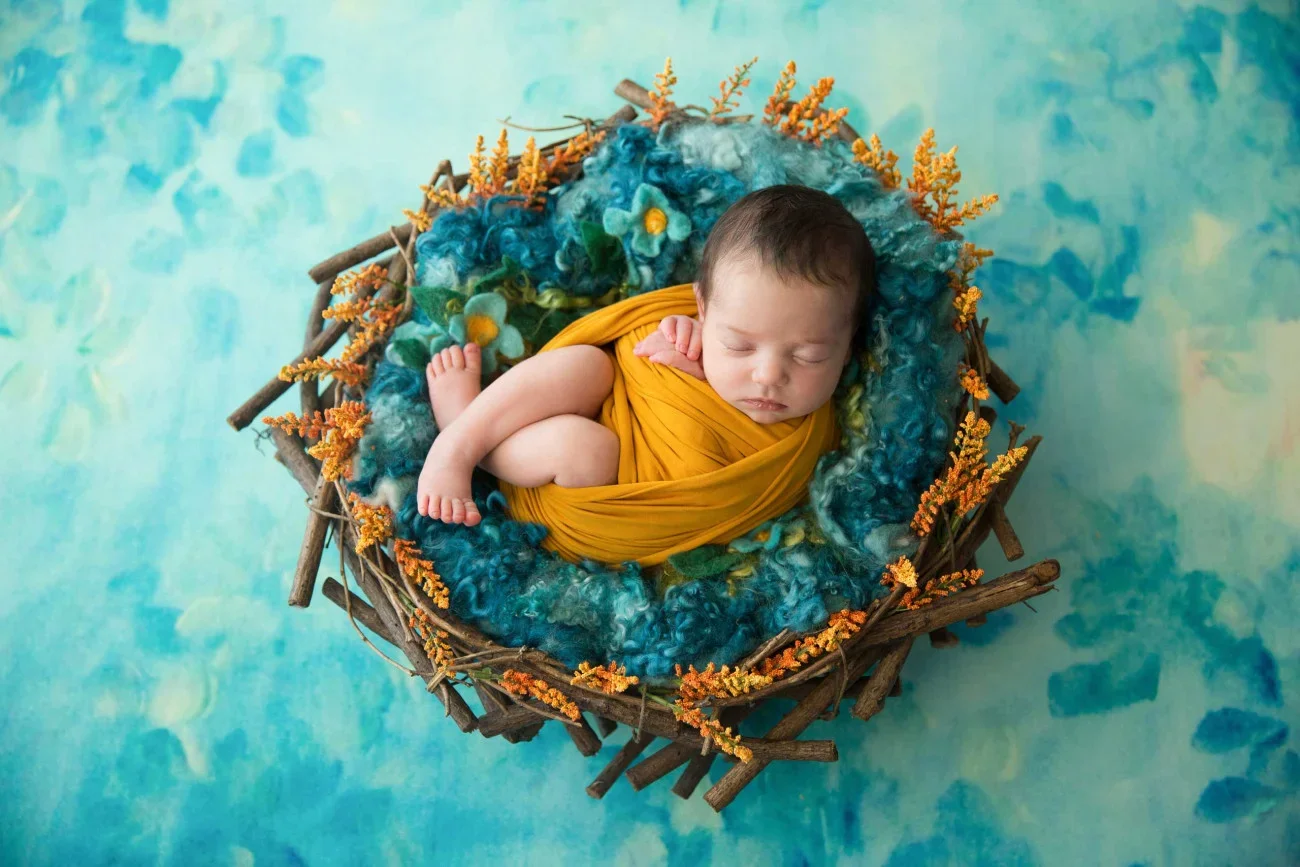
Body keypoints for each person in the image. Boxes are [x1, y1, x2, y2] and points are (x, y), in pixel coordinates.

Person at [416, 184, 877, 527]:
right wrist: (688, 343)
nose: (768, 375)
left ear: (849, 340)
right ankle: (460, 441)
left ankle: (467, 432)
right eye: (738, 344)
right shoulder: (698, 325)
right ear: (702, 306)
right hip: (620, 402)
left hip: (609, 497)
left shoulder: (821, 445)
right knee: (588, 365)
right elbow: (634, 352)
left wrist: (711, 370)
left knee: (584, 448)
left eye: (811, 356)